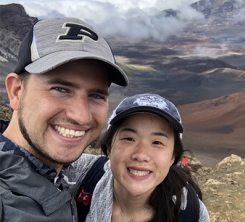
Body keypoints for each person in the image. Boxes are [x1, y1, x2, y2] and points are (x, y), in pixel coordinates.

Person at [0, 17, 128, 222]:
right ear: (16, 92)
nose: (81, 115)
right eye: (60, 89)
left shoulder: (60, 174)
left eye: (96, 95)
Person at [72, 93, 210, 222]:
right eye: (129, 138)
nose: (141, 155)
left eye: (157, 142)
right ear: (109, 147)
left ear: (173, 157)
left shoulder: (191, 213)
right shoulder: (77, 173)